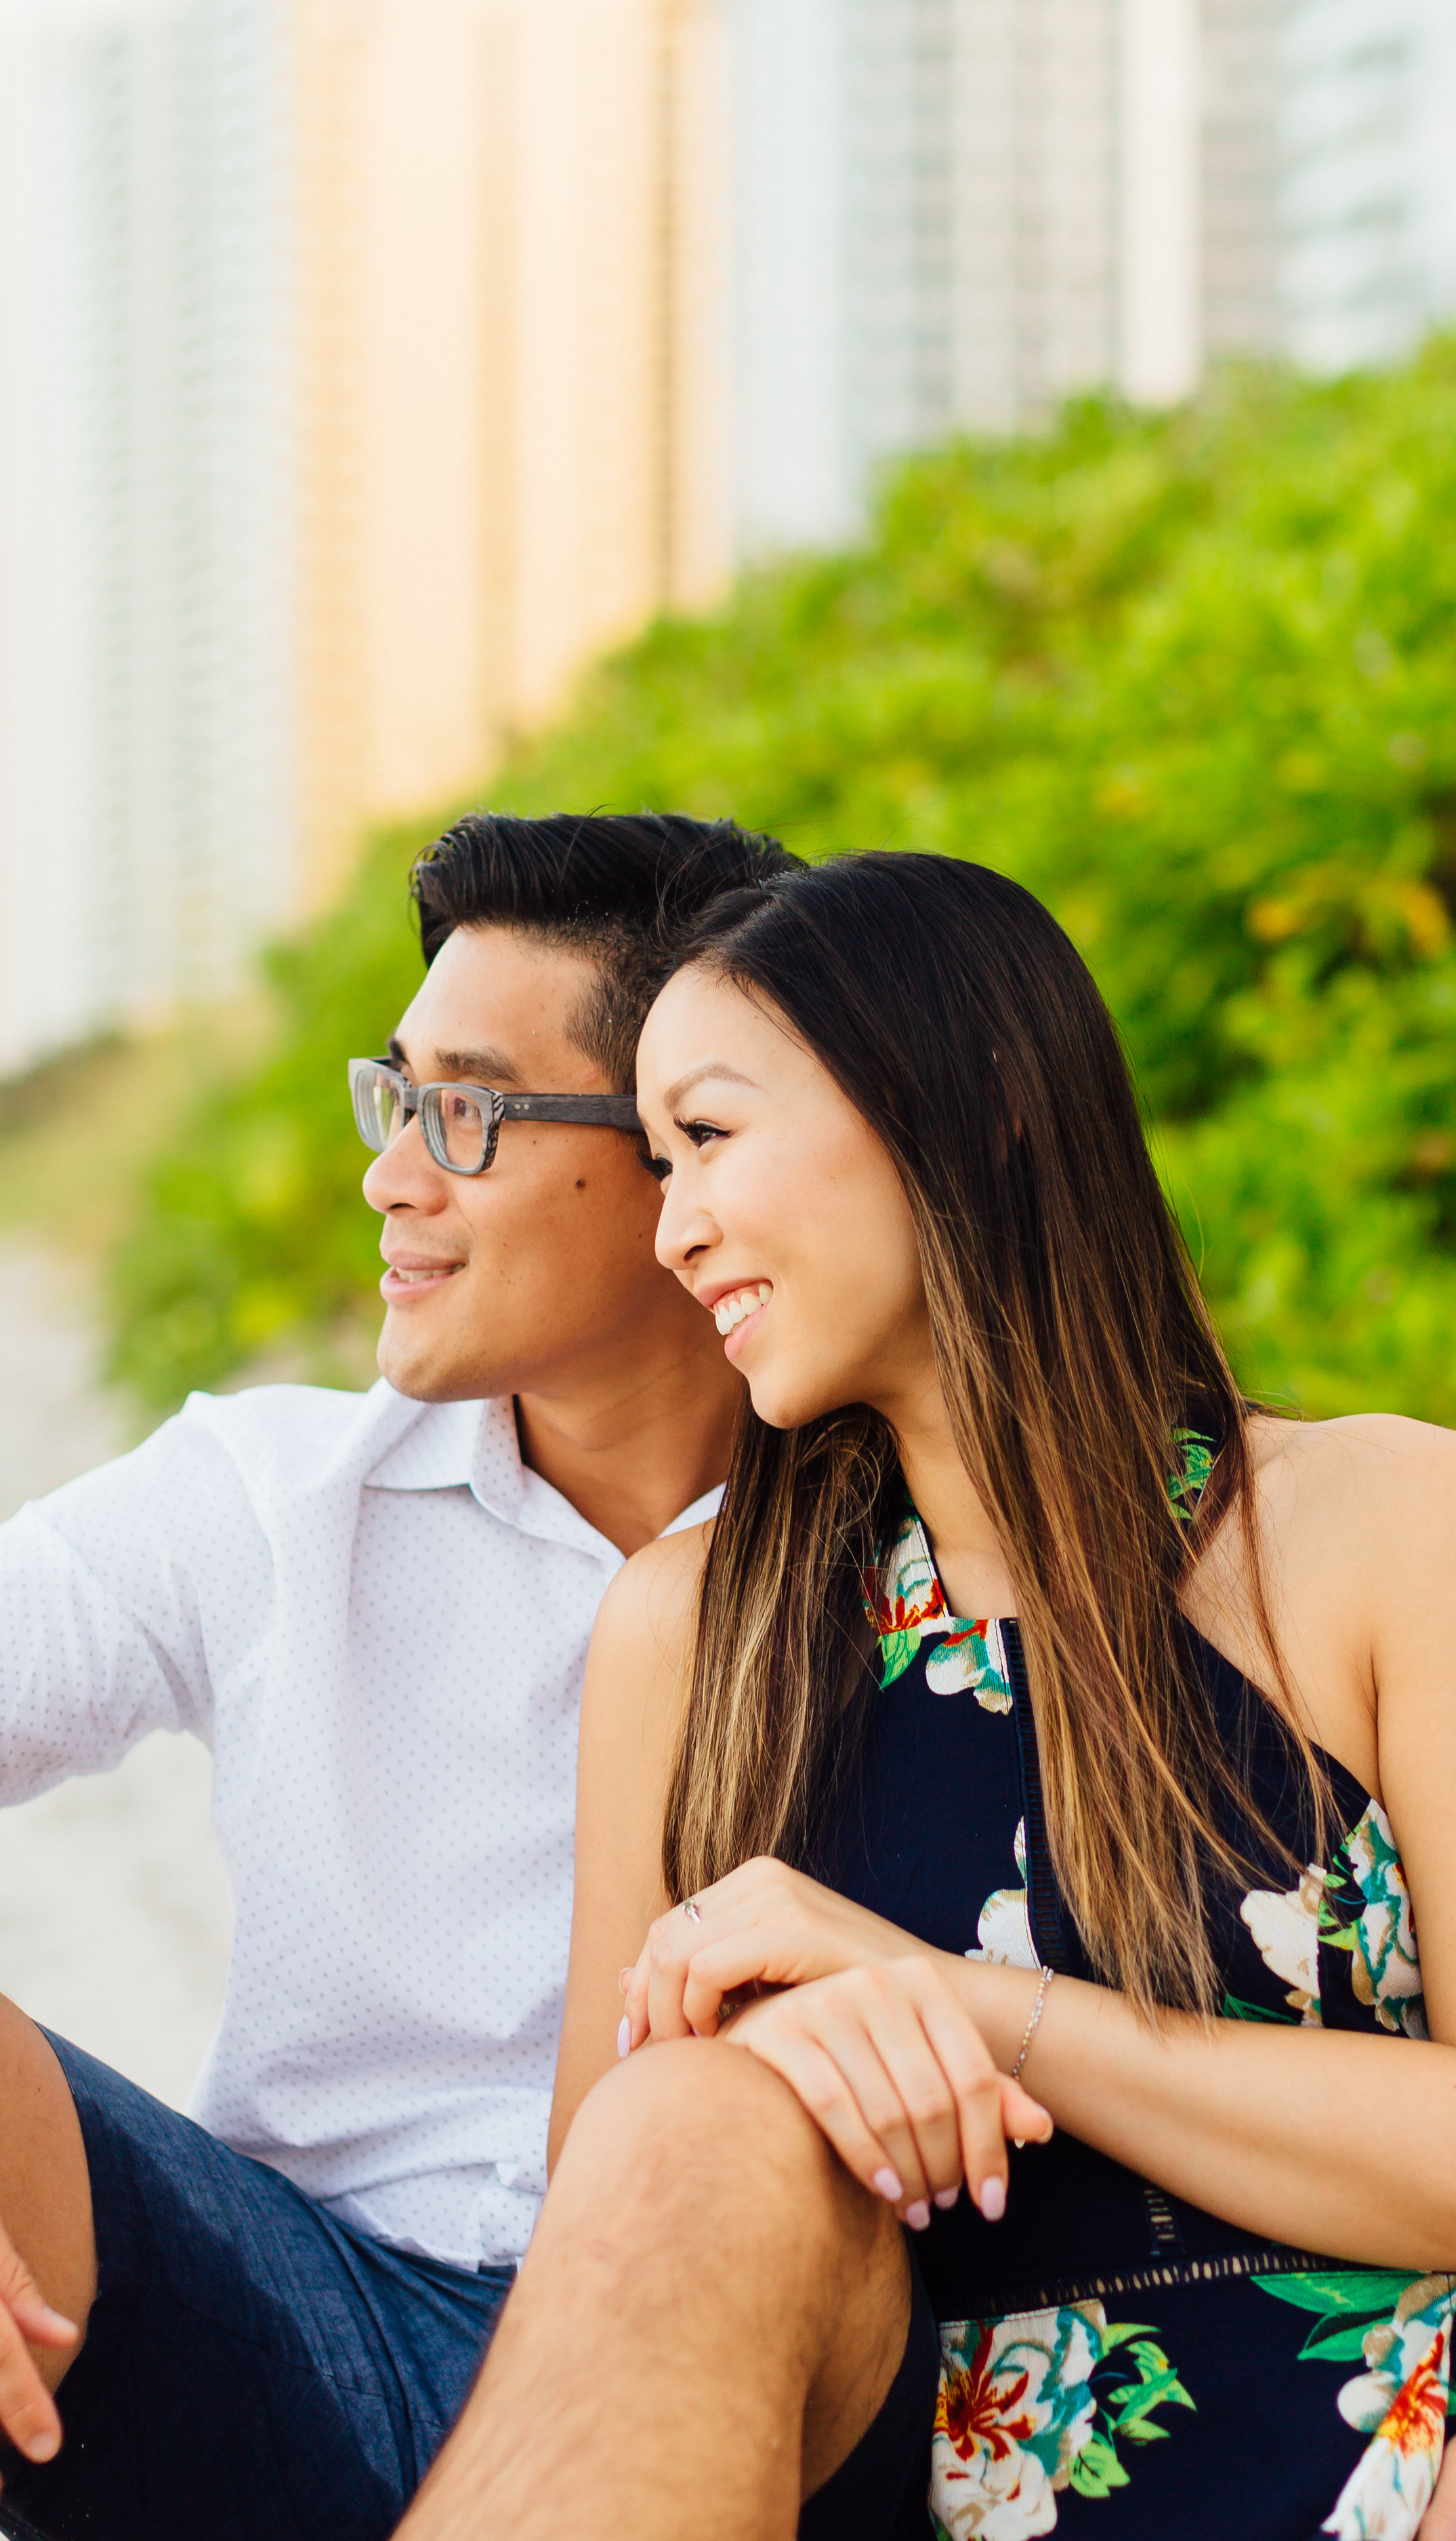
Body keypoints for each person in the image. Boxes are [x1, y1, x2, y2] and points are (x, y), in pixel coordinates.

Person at [402, 850, 1456, 2541]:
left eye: (708, 1141)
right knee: (689, 2116)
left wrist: (955, 2002)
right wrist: (806, 2041)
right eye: (652, 1165)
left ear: (976, 1104)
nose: (672, 1228)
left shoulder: (1389, 1530)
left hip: (1401, 2469)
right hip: (897, 2464)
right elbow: (634, 2250)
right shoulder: (689, 1637)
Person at [0, 812, 797, 2540]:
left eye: (468, 1113)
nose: (390, 1179)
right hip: (299, 2313)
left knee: (716, 2152)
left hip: (767, 2343)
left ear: (692, 1156)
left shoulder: (925, 1530)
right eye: (395, 1097)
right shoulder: (272, 1501)